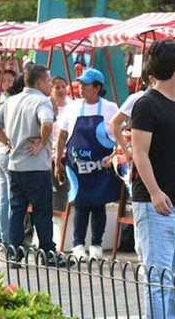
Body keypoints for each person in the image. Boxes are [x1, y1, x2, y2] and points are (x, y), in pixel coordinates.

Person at [130, 39, 175, 318]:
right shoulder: (147, 104)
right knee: (158, 278)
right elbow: (140, 154)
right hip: (155, 204)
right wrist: (156, 192)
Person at [0, 65, 66, 267]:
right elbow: (47, 124)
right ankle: (47, 253)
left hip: (15, 165)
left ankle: (14, 253)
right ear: (39, 83)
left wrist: (6, 142)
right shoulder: (42, 101)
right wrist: (41, 140)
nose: (51, 85)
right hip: (36, 166)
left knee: (16, 211)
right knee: (42, 211)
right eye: (49, 81)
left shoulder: (11, 100)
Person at [54, 69, 120, 261]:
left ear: (97, 88)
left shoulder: (110, 108)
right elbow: (63, 135)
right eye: (80, 84)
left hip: (101, 167)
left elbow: (120, 134)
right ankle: (78, 245)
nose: (81, 88)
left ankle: (97, 245)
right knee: (80, 204)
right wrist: (58, 161)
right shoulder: (73, 107)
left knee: (99, 204)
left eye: (86, 84)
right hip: (77, 167)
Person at [0, 74, 25, 245]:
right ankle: (12, 240)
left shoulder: (10, 102)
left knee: (5, 199)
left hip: (0, 153)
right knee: (12, 200)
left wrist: (4, 141)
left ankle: (6, 239)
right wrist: (7, 141)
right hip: (9, 154)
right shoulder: (19, 103)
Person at [109, 65, 152, 162]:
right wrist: (125, 151)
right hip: (139, 158)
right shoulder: (138, 98)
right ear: (151, 79)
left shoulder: (172, 100)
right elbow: (114, 123)